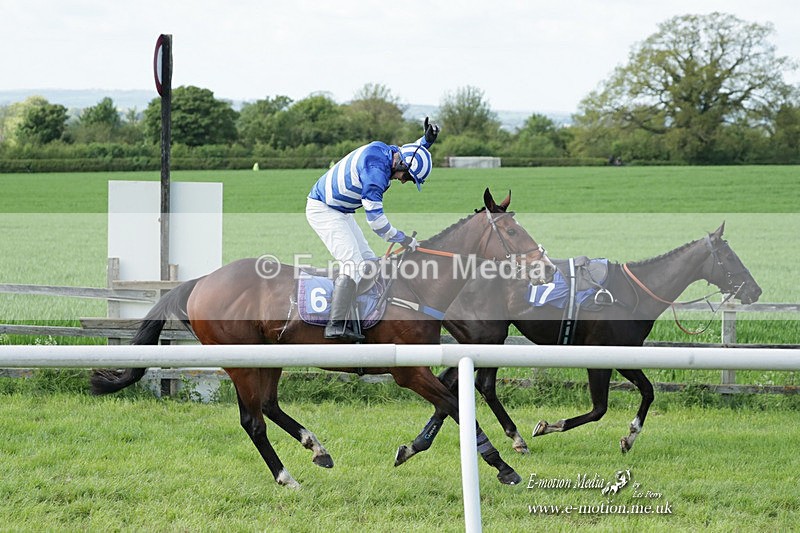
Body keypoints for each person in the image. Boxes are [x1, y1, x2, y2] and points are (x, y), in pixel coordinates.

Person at [306, 117, 440, 342]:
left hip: (341, 210)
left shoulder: (389, 152)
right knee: (354, 265)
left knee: (369, 262)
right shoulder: (375, 174)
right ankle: (335, 325)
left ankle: (363, 316)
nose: (404, 181)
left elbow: (410, 152)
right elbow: (377, 224)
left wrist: (425, 141)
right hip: (324, 210)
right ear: (400, 165)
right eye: (407, 176)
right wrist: (403, 239)